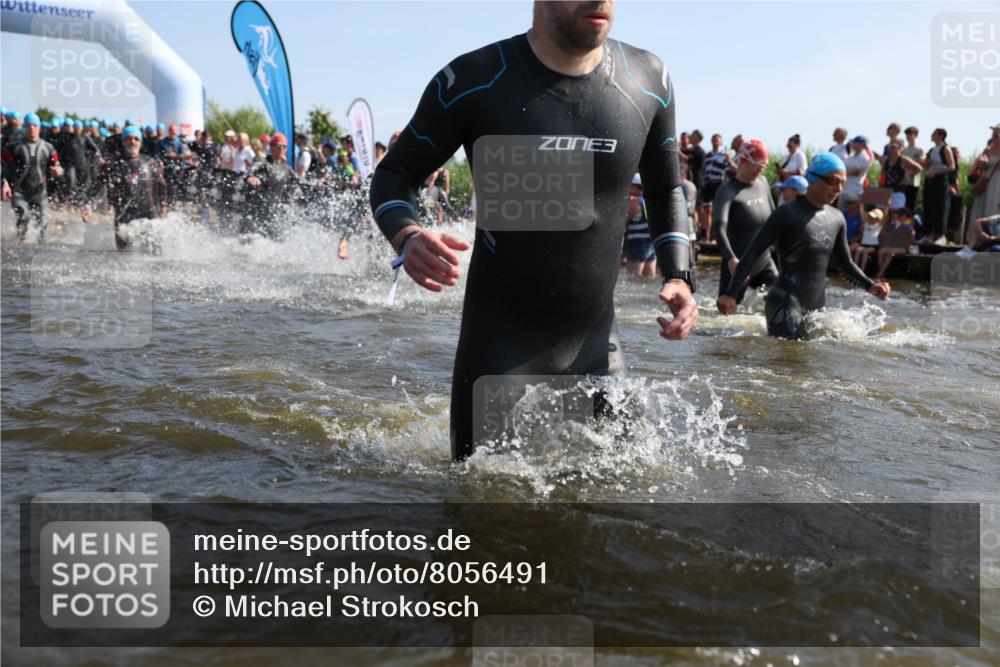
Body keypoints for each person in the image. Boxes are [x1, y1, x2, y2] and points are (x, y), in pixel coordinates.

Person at [369, 0, 697, 460]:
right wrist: (407, 235)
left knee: (625, 510)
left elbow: (665, 190)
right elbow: (393, 175)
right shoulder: (475, 79)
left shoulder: (648, 79)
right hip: (498, 351)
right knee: (480, 513)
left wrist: (678, 276)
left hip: (598, 346)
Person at [717, 152, 890, 339]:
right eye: (833, 180)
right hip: (784, 302)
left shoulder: (837, 218)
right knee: (787, 361)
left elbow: (845, 264)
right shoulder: (787, 213)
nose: (839, 188)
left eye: (843, 183)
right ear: (813, 178)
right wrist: (731, 293)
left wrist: (871, 286)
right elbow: (752, 252)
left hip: (816, 308)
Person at [711, 139, 778, 306]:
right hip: (737, 265)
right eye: (757, 164)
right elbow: (719, 229)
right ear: (744, 160)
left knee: (779, 301)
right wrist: (731, 259)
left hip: (764, 262)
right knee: (724, 318)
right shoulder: (727, 190)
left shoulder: (762, 183)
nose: (760, 170)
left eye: (764, 166)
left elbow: (775, 219)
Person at [82, 125, 166, 250]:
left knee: (155, 254)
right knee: (123, 257)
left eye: (136, 139)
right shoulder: (113, 165)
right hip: (124, 218)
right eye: (128, 138)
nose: (132, 142)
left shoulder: (151, 163)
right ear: (123, 142)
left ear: (140, 142)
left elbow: (162, 186)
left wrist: (163, 207)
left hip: (149, 215)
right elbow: (97, 186)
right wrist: (88, 206)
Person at [1, 113, 63, 241]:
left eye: (35, 125)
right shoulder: (14, 147)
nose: (32, 128)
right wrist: (4, 182)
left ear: (39, 127)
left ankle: (41, 252)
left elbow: (57, 165)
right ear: (25, 127)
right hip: (19, 191)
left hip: (40, 191)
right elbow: (3, 164)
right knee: (23, 217)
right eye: (29, 125)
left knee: (43, 222)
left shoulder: (48, 148)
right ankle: (20, 246)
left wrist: (58, 170)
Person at [242, 131, 299, 238]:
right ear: (272, 147)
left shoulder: (287, 168)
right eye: (279, 146)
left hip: (274, 214)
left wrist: (318, 185)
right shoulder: (263, 162)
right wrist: (252, 176)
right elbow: (251, 169)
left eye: (284, 147)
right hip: (257, 211)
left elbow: (300, 182)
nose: (282, 149)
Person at [921, 128, 955, 245]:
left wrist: (936, 171)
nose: (931, 135)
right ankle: (928, 234)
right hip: (929, 181)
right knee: (928, 206)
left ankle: (941, 235)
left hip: (940, 181)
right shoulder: (931, 150)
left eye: (934, 133)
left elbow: (951, 166)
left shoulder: (946, 149)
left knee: (940, 207)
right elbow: (926, 166)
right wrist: (926, 163)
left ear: (940, 135)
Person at [968, 125, 1000, 244]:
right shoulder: (988, 149)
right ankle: (977, 241)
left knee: (994, 208)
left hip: (998, 183)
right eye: (994, 134)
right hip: (986, 181)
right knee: (981, 208)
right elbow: (978, 168)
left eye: (997, 134)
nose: (995, 136)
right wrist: (982, 164)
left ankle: (993, 239)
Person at [625, 173, 656, 276]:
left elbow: (625, 220)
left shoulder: (635, 201)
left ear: (635, 187)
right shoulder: (650, 200)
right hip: (651, 242)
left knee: (632, 278)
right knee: (649, 277)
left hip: (637, 242)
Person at [874, 203, 916, 280]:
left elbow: (913, 240)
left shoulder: (909, 226)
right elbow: (885, 234)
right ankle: (882, 271)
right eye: (898, 215)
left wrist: (912, 234)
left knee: (890, 253)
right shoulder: (893, 224)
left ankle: (880, 273)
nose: (899, 217)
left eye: (901, 215)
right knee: (881, 252)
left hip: (902, 248)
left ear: (905, 216)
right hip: (892, 245)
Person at [701, 133, 728, 229]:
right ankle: (706, 235)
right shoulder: (708, 155)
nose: (715, 142)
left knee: (717, 210)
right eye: (713, 140)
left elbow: (727, 171)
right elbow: (704, 169)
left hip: (718, 183)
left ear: (721, 142)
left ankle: (715, 235)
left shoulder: (724, 156)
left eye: (717, 140)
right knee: (706, 209)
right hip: (708, 184)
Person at [852, 206, 884, 271]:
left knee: (865, 252)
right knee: (858, 250)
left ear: (878, 219)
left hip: (873, 246)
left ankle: (862, 269)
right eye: (870, 217)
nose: (871, 219)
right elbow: (862, 214)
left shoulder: (879, 225)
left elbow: (885, 216)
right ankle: (855, 268)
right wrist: (861, 204)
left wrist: (887, 205)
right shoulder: (865, 224)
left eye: (873, 218)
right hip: (864, 244)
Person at [843, 135, 872, 203]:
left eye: (854, 142)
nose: (852, 144)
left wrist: (841, 172)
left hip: (855, 191)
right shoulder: (851, 156)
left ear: (861, 145)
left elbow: (853, 171)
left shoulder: (864, 158)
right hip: (845, 189)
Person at [901, 126, 924, 211]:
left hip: (913, 182)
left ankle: (910, 224)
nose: (909, 136)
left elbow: (920, 165)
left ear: (916, 135)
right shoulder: (903, 150)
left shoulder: (919, 150)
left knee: (910, 207)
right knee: (902, 206)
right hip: (903, 182)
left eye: (911, 134)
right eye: (907, 134)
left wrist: (911, 167)